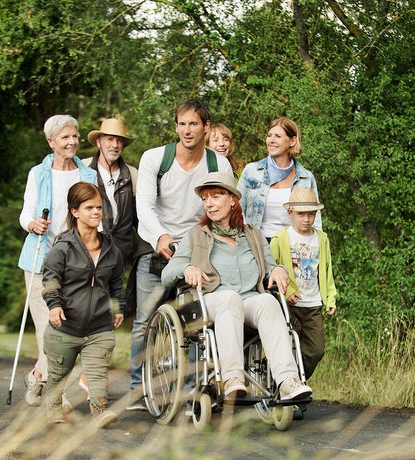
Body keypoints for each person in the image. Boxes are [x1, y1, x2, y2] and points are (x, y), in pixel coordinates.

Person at [162, 172, 313, 400]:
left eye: (216, 196)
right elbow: (167, 275)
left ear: (233, 199)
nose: (209, 204)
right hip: (212, 300)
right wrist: (187, 269)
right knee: (230, 298)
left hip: (249, 299)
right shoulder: (196, 235)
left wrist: (277, 269)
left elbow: (270, 267)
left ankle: (288, 381)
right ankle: (232, 378)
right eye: (205, 199)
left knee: (267, 301)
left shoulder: (253, 235)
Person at [127, 99, 233, 410]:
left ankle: (191, 391)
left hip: (197, 244)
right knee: (145, 317)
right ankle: (137, 389)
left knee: (197, 320)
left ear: (206, 128)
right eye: (182, 124)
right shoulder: (155, 159)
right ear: (176, 126)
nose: (187, 130)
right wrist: (160, 234)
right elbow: (143, 205)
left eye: (193, 124)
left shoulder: (218, 165)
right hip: (155, 240)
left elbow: (223, 207)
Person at [18, 115, 96, 408]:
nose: (72, 142)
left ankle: (39, 374)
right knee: (50, 328)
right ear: (51, 142)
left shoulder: (87, 175)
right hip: (40, 260)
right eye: (65, 137)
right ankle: (57, 395)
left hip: (75, 262)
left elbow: (94, 216)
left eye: (74, 136)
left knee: (68, 328)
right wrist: (32, 224)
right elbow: (25, 213)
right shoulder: (37, 173)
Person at [42, 182, 125, 427]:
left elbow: (116, 283)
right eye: (89, 208)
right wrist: (54, 306)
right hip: (64, 327)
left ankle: (100, 410)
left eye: (99, 207)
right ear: (75, 211)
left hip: (99, 328)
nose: (96, 212)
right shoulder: (63, 248)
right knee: (58, 376)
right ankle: (53, 406)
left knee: (98, 375)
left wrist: (117, 308)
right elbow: (50, 281)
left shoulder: (111, 249)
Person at [270, 187, 336, 380]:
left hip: (312, 304)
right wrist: (287, 290)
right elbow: (271, 270)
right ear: (290, 213)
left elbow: (326, 270)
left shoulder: (321, 238)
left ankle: (296, 381)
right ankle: (284, 384)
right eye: (301, 214)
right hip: (289, 303)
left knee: (316, 350)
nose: (306, 219)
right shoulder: (281, 238)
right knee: (288, 347)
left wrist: (330, 297)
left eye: (311, 214)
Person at [237, 117, 322, 240]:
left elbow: (316, 219)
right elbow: (237, 210)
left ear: (292, 141)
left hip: (294, 246)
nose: (271, 140)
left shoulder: (306, 177)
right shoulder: (251, 171)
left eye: (278, 136)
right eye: (269, 135)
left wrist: (316, 246)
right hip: (258, 245)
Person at [84, 118, 138, 264]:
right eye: (109, 139)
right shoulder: (84, 170)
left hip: (120, 254)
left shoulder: (133, 174)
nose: (114, 145)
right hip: (87, 251)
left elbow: (139, 218)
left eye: (119, 141)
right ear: (98, 142)